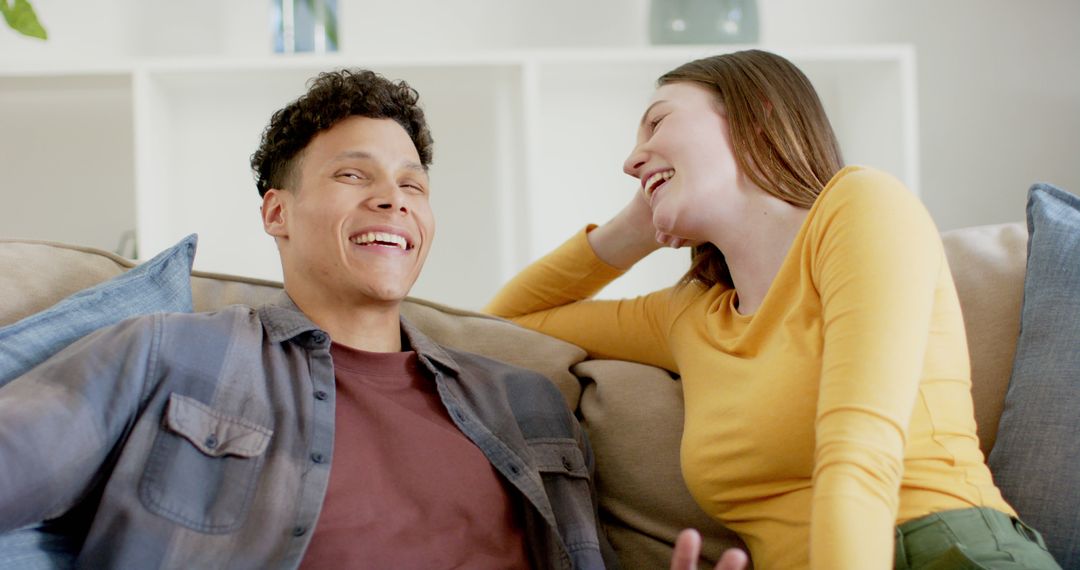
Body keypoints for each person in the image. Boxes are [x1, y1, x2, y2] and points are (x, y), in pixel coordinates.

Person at [0, 69, 618, 569]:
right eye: (353, 175)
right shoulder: (169, 353)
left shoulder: (527, 403)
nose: (393, 198)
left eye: (414, 185)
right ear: (277, 213)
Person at [485, 49, 1062, 569]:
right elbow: (504, 324)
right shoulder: (689, 316)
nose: (632, 160)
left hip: (948, 549)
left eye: (658, 122)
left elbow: (858, 456)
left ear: (755, 116)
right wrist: (632, 228)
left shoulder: (860, 206)